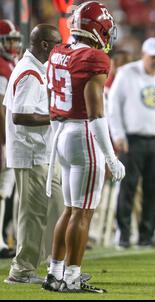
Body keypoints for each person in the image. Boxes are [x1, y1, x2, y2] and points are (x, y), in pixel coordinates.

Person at [42, 1, 125, 293]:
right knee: (83, 212)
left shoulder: (58, 52)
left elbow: (52, 102)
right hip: (84, 136)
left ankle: (54, 273)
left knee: (70, 209)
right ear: (96, 29)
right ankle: (72, 277)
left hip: (62, 132)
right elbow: (96, 114)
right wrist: (111, 156)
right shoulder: (94, 59)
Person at [2, 24, 63, 284]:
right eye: (57, 43)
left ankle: (56, 266)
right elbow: (20, 114)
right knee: (33, 214)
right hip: (32, 153)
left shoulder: (37, 69)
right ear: (45, 45)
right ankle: (22, 270)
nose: (61, 48)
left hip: (43, 153)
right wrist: (56, 116)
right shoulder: (29, 72)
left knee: (57, 210)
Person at [108, 37, 155, 249]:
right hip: (133, 139)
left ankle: (146, 235)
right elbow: (114, 106)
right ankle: (123, 233)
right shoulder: (127, 73)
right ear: (143, 55)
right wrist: (118, 135)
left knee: (154, 190)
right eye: (152, 57)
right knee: (127, 188)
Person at [0, 19, 22, 259]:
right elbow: (1, 106)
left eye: (15, 40)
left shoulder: (9, 63)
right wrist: (6, 140)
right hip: (2, 138)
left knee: (4, 192)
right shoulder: (3, 67)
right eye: (9, 40)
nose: (13, 45)